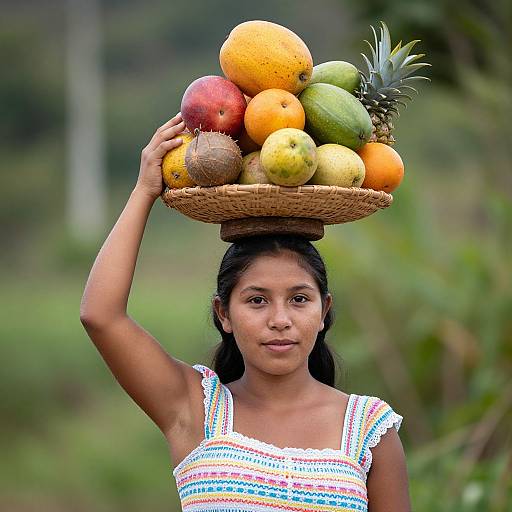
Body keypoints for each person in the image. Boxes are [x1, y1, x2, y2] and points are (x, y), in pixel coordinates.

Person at [80, 112, 412, 511]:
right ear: (223, 313)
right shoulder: (195, 410)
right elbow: (101, 315)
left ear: (324, 310)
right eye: (257, 300)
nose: (279, 320)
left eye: (299, 299)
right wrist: (144, 190)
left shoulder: (367, 429)